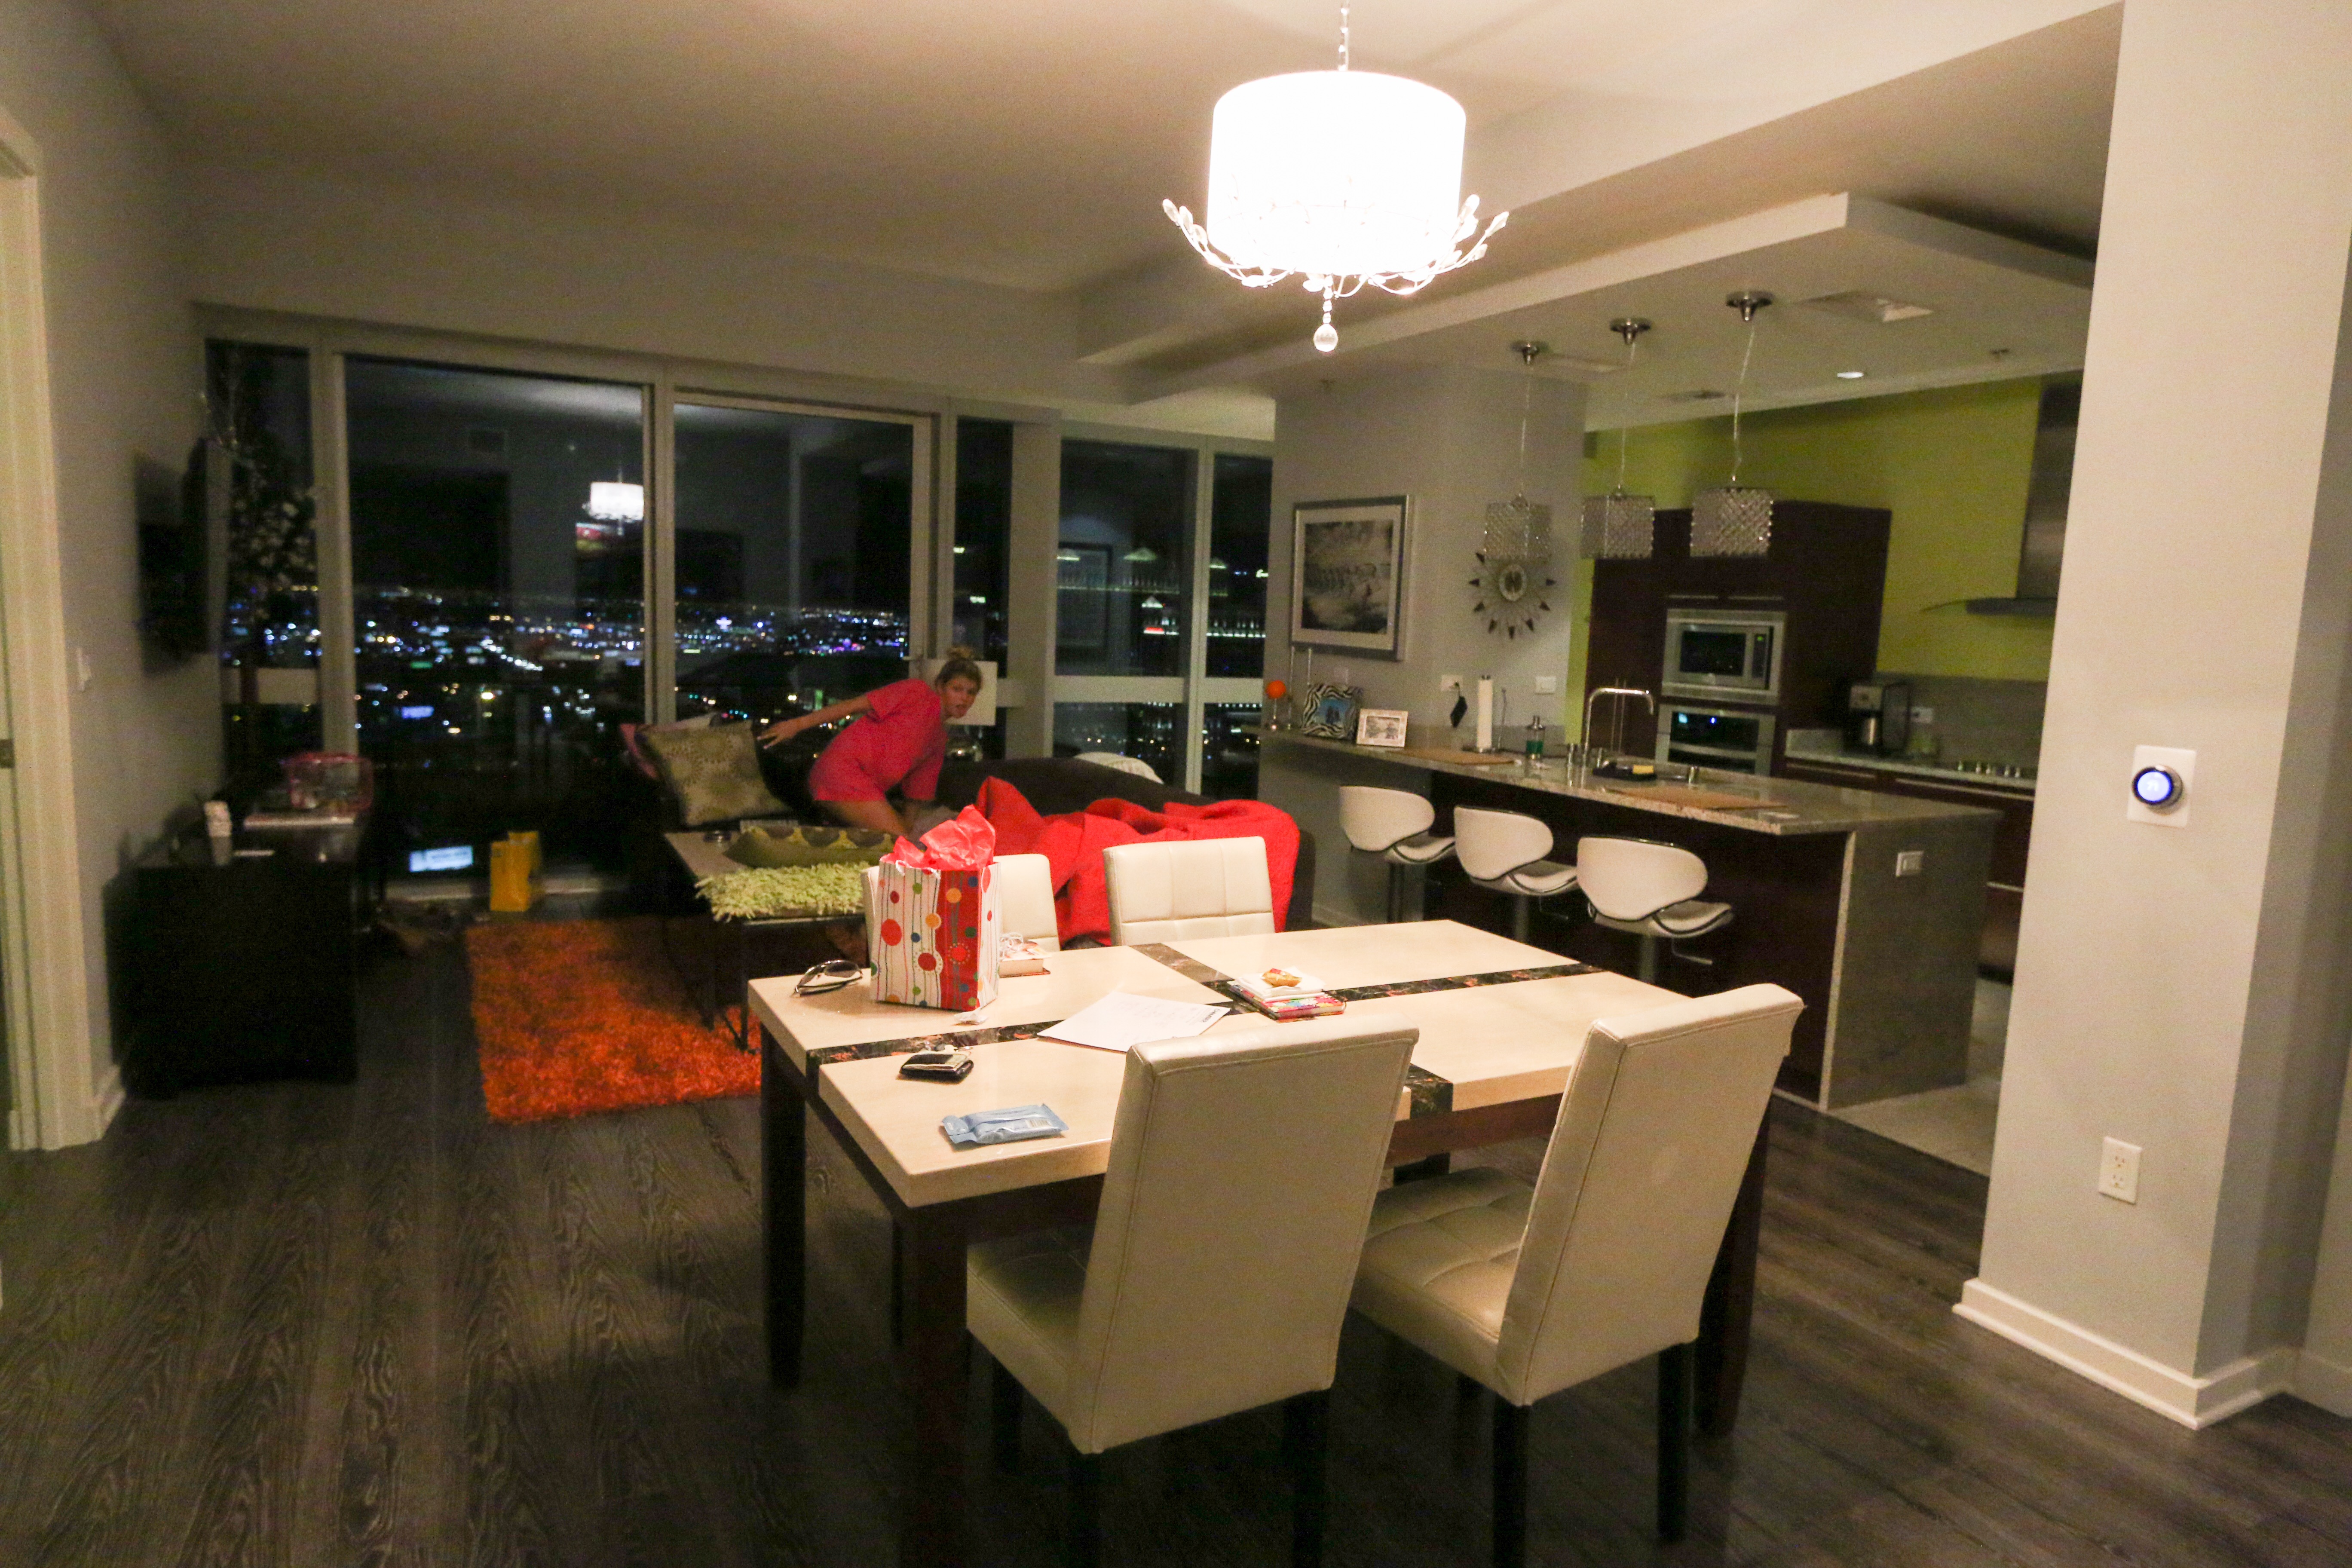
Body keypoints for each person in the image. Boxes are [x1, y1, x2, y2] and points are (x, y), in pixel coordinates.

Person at [760, 654, 983, 837]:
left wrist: (906, 836)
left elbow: (916, 795)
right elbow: (852, 706)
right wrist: (797, 725)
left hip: (868, 790)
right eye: (957, 689)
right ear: (941, 687)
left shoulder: (938, 739)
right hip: (841, 773)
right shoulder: (916, 692)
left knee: (900, 844)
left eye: (971, 692)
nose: (964, 699)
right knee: (897, 841)